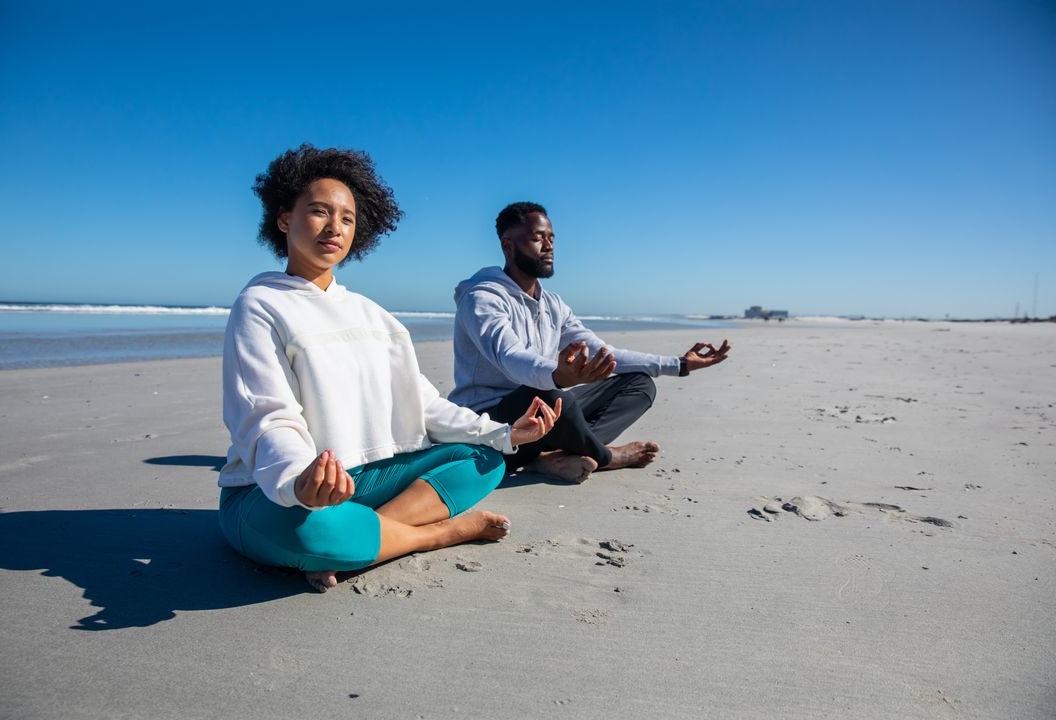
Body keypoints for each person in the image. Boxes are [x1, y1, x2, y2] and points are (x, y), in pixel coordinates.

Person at [218, 147, 561, 592]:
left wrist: (506, 434)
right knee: (312, 531)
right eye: (319, 212)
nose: (334, 228)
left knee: (484, 460)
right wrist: (299, 483)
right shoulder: (260, 305)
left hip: (364, 480)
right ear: (284, 218)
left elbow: (423, 403)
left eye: (347, 218)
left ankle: (365, 539)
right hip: (276, 492)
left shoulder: (374, 316)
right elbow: (267, 416)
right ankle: (433, 535)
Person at [448, 201, 729, 484]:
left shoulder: (552, 304)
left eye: (551, 238)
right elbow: (510, 356)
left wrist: (679, 364)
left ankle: (550, 458)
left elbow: (603, 353)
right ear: (508, 246)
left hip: (539, 418)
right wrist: (556, 375)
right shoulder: (482, 299)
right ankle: (606, 457)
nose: (548, 246)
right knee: (553, 398)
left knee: (639, 384)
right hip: (490, 423)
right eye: (537, 238)